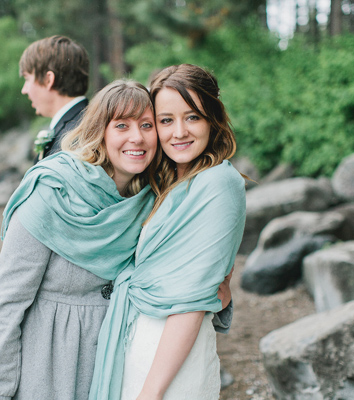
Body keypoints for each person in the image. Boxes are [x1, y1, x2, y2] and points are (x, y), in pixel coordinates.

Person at [0, 79, 158, 400]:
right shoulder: (52, 191)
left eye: (147, 125)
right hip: (48, 368)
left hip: (118, 365)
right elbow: (7, 303)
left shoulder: (151, 199)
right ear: (101, 130)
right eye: (122, 125)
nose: (137, 137)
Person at [89, 64, 247, 400]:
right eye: (165, 120)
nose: (179, 132)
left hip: (173, 362)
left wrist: (152, 392)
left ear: (212, 120)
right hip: (137, 343)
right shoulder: (166, 184)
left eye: (192, 117)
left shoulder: (218, 183)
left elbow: (191, 299)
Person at [19, 35, 90, 162]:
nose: (24, 90)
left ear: (48, 80)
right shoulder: (88, 120)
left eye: (27, 79)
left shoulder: (73, 137)